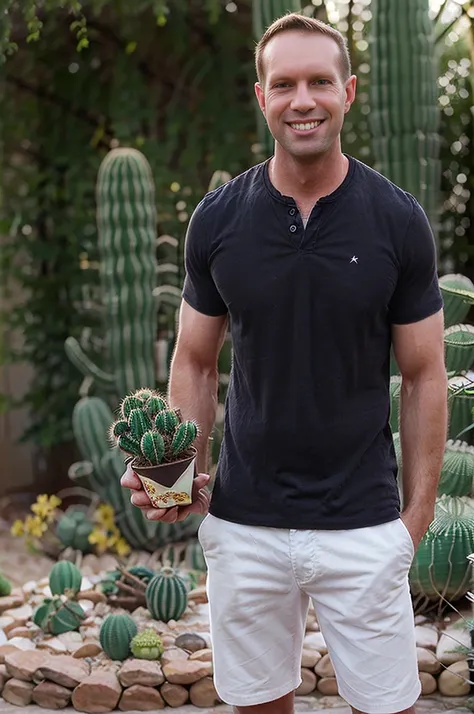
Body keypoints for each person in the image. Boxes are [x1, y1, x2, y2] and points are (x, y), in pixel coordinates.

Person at [121, 12, 448, 714]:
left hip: (363, 524)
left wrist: (412, 524)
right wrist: (174, 485)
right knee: (257, 704)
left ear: (350, 91)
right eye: (286, 83)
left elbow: (424, 375)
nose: (304, 99)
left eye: (320, 82)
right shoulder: (218, 220)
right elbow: (195, 360)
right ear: (263, 96)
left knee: (387, 706)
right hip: (245, 524)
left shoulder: (397, 220)